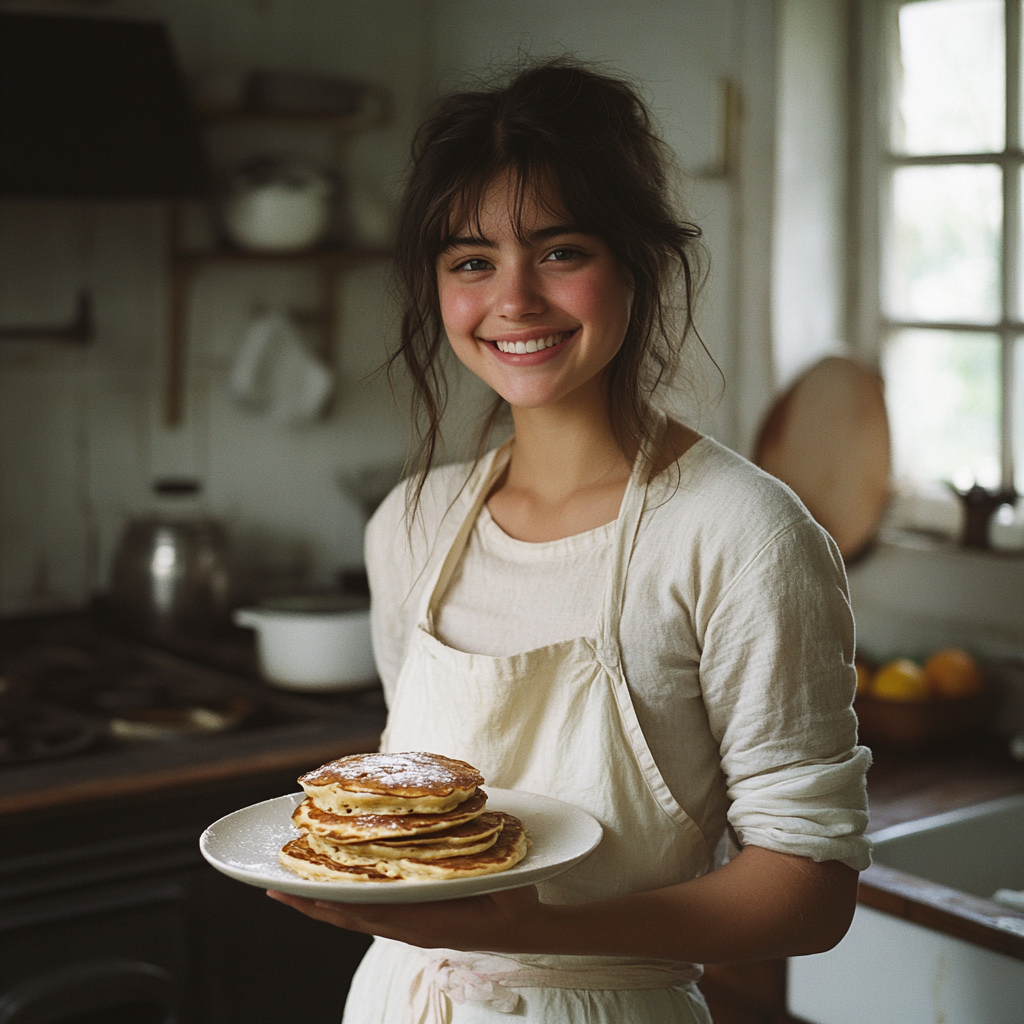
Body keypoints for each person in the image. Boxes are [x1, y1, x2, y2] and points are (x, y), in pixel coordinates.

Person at [269, 57, 871, 1023]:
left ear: (636, 258)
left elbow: (810, 892)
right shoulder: (412, 524)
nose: (514, 300)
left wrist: (526, 931)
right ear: (437, 289)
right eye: (472, 261)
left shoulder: (741, 533)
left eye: (560, 252)